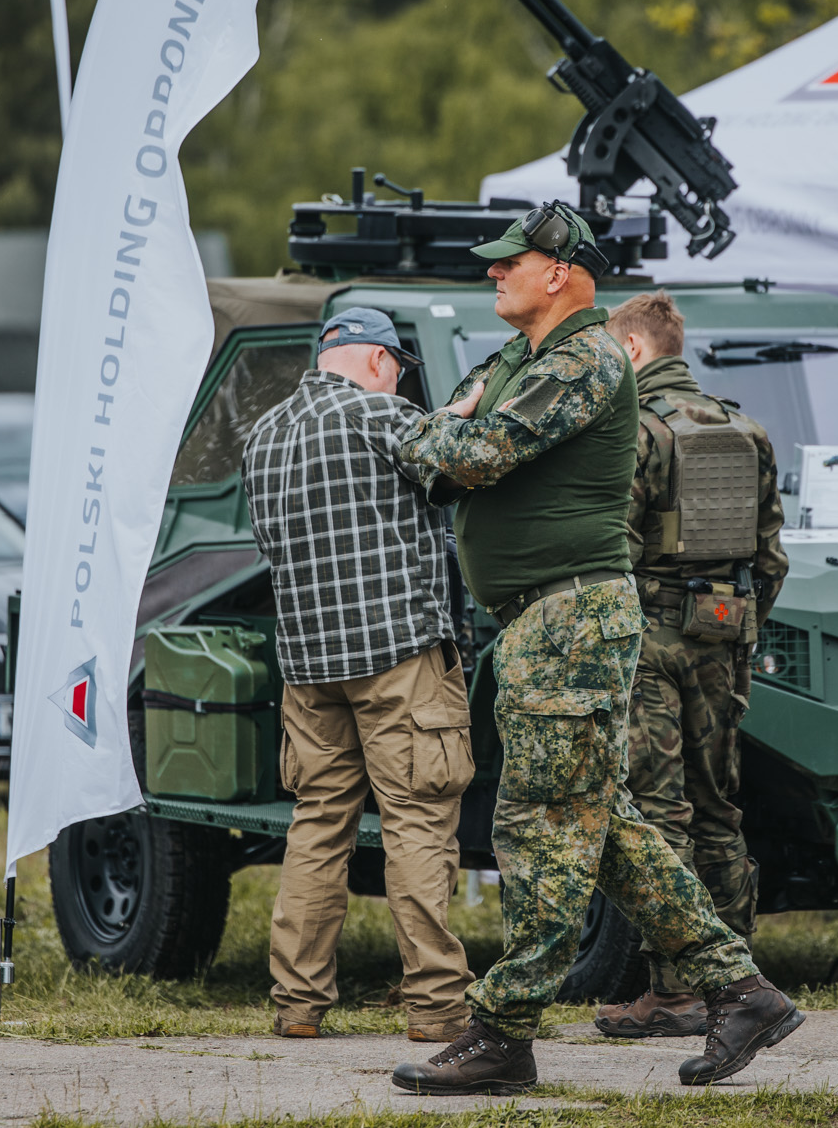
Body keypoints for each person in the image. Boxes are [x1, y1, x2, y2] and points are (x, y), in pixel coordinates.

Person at [389, 203, 802, 1094]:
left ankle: (503, 1029)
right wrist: (440, 433)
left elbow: (473, 449)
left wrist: (428, 429)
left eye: (511, 263)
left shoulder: (583, 358)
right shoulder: (521, 358)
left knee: (538, 826)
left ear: (562, 273)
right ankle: (742, 990)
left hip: (570, 619)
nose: (493, 275)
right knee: (605, 827)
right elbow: (446, 441)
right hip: (546, 619)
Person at [240, 307, 474, 1044]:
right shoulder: (381, 416)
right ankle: (437, 1006)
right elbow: (457, 457)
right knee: (417, 819)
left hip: (309, 668)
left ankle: (297, 1003)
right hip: (398, 658)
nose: (399, 379)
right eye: (397, 368)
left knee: (317, 826)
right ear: (377, 361)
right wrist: (463, 406)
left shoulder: (263, 437)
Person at [592, 291, 788, 1039]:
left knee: (659, 814)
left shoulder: (635, 431)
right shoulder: (749, 430)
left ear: (635, 350)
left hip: (649, 641)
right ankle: (738, 981)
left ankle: (674, 990)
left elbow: (615, 549)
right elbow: (770, 559)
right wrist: (737, 628)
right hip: (724, 641)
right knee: (719, 812)